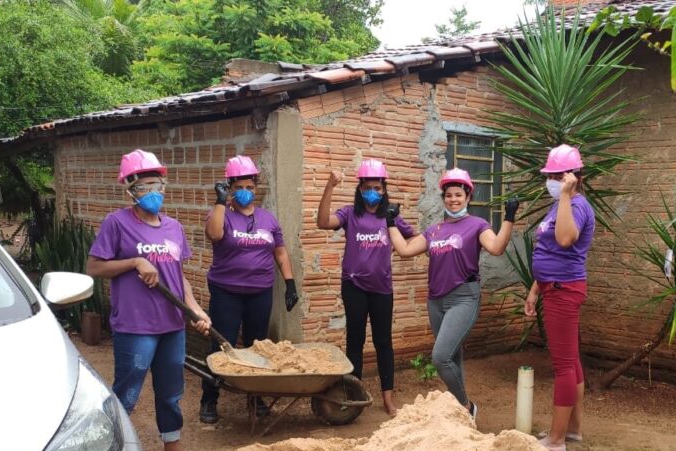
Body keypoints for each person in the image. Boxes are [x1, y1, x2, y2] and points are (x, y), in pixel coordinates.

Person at [86, 149, 210, 451]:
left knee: (171, 391)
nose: (153, 193)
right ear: (130, 190)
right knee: (127, 391)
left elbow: (179, 277)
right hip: (135, 325)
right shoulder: (117, 223)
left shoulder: (174, 228)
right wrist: (134, 262)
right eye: (144, 187)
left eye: (157, 185)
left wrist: (195, 311)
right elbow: (94, 267)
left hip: (172, 325)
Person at [387, 168, 518, 419]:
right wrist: (390, 221)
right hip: (436, 300)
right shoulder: (434, 230)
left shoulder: (477, 225)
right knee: (453, 357)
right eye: (448, 195)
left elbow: (496, 247)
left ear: (468, 196)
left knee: (441, 356)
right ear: (444, 198)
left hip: (464, 297)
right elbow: (404, 249)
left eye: (458, 194)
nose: (453, 200)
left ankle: (466, 407)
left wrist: (509, 217)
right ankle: (460, 413)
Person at [198, 155, 299, 424]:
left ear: (256, 188)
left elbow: (280, 253)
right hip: (226, 291)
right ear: (230, 188)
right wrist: (220, 203)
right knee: (222, 343)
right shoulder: (223, 215)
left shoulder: (268, 218)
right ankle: (210, 398)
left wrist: (290, 283)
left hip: (260, 292)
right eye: (239, 187)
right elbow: (215, 234)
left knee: (258, 344)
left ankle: (255, 396)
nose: (245, 192)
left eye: (250, 187)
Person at [317, 160, 414, 416]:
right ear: (360, 188)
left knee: (384, 342)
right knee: (355, 341)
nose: (374, 191)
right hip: (354, 287)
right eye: (369, 186)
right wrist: (329, 186)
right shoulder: (350, 214)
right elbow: (323, 222)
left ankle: (388, 400)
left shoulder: (391, 217)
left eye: (378, 187)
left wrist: (399, 247)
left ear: (384, 189)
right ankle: (354, 395)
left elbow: (413, 237)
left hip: (382, 288)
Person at [524, 145, 596, 451]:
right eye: (550, 175)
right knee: (572, 362)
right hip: (552, 286)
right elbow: (549, 251)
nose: (552, 180)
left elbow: (566, 239)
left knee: (564, 365)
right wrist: (534, 289)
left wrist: (566, 194)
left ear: (574, 177)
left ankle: (555, 440)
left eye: (558, 175)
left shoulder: (574, 204)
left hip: (563, 290)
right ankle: (573, 430)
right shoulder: (560, 205)